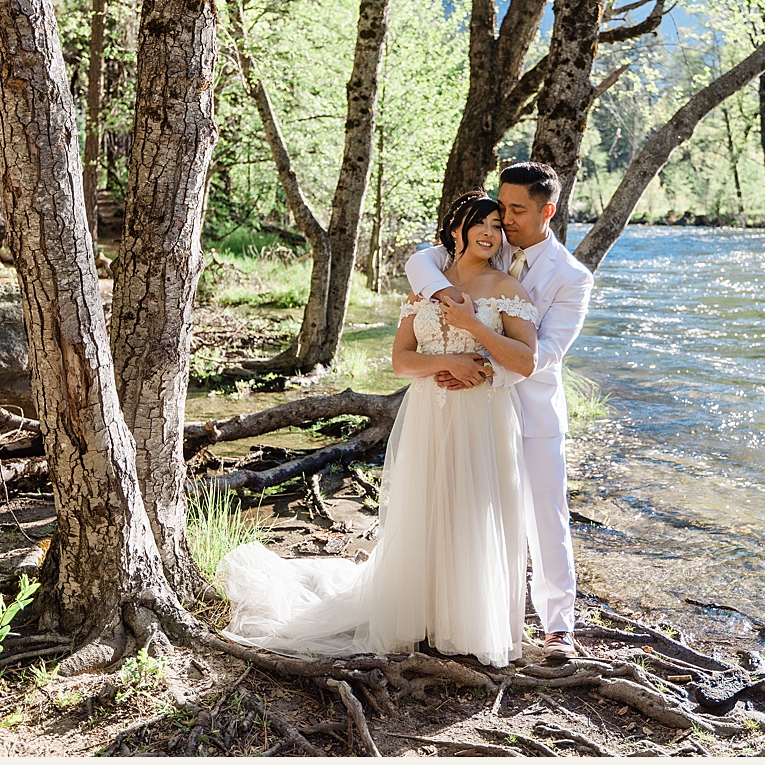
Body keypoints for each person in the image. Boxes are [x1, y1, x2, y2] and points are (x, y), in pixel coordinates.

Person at [218, 193, 541, 667]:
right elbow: (400, 361)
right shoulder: (426, 290)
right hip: (430, 411)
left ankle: (470, 622)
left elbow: (527, 361)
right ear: (457, 230)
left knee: (477, 507)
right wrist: (447, 361)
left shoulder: (507, 289)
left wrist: (475, 333)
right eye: (481, 224)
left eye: (498, 225)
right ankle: (424, 616)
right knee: (429, 507)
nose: (491, 233)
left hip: (484, 414)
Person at [405, 161, 596, 659]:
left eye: (516, 209)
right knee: (470, 509)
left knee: (545, 516)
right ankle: (456, 609)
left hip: (529, 411)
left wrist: (480, 367)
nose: (504, 218)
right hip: (470, 412)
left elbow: (548, 351)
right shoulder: (491, 238)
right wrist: (447, 303)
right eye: (501, 205)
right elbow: (421, 264)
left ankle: (558, 627)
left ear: (546, 211)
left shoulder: (572, 277)